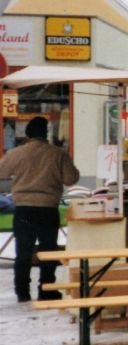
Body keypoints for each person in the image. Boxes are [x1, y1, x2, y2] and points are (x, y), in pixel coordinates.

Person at [0, 116, 80, 302]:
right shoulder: (58, 154)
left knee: (23, 253)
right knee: (48, 253)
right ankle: (47, 290)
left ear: (27, 134)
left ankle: (22, 292)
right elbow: (72, 179)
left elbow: (1, 172)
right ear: (46, 134)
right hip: (48, 209)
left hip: (24, 210)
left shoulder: (15, 153)